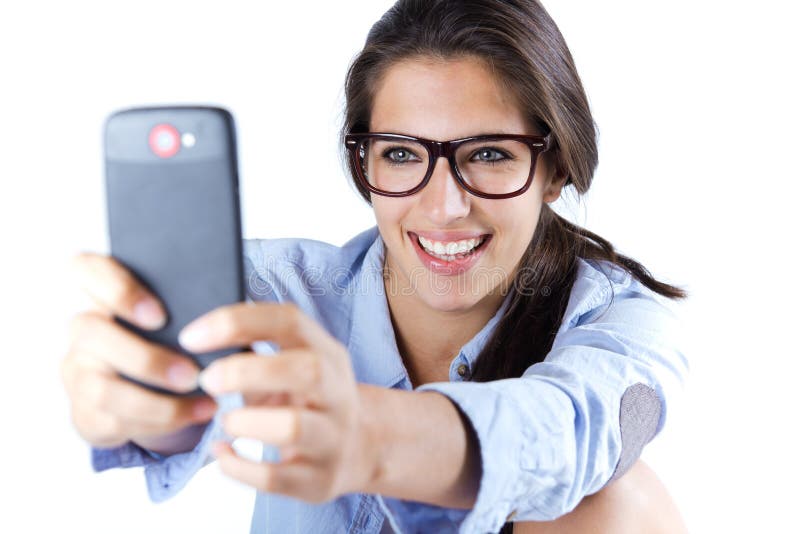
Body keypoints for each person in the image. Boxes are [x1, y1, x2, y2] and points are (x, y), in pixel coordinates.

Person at [61, 1, 690, 532]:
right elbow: (192, 379)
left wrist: (371, 439)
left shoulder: (617, 321)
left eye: (491, 154)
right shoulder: (283, 295)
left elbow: (576, 434)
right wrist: (149, 400)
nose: (444, 205)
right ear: (366, 165)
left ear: (555, 170)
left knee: (620, 504)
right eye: (400, 154)